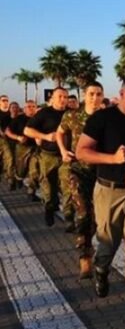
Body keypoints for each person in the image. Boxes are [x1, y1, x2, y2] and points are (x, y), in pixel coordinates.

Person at [76, 73, 125, 324]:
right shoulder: (103, 118)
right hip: (110, 190)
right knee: (108, 241)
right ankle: (101, 268)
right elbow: (82, 152)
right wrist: (112, 158)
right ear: (121, 94)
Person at [56, 82, 103, 278]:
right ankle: (85, 257)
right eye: (91, 94)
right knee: (83, 212)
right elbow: (59, 132)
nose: (94, 97)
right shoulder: (72, 115)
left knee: (97, 217)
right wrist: (63, 151)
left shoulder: (107, 117)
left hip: (100, 172)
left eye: (98, 94)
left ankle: (92, 247)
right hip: (77, 171)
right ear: (85, 95)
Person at [24, 87, 67, 226]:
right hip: (48, 155)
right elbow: (27, 130)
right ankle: (49, 208)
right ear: (52, 98)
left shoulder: (70, 114)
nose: (63, 100)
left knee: (68, 187)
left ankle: (70, 217)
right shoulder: (44, 113)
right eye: (59, 96)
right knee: (49, 185)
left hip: (66, 156)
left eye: (65, 97)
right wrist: (45, 136)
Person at [6, 101, 39, 200]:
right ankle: (18, 177)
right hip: (22, 147)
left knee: (34, 170)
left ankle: (31, 192)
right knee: (21, 170)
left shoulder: (39, 118)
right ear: (24, 109)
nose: (31, 108)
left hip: (36, 148)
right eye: (29, 106)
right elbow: (8, 131)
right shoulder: (19, 119)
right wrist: (17, 137)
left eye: (33, 106)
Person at [1, 101, 20, 190]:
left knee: (19, 162)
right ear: (9, 109)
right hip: (7, 141)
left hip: (19, 143)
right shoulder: (5, 118)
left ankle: (17, 178)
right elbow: (5, 132)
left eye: (16, 108)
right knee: (10, 159)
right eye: (13, 107)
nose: (15, 109)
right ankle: (11, 180)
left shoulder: (22, 119)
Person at [0, 95, 14, 188]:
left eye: (7, 100)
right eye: (3, 100)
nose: (5, 102)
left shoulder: (11, 113)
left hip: (9, 139)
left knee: (9, 158)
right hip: (2, 138)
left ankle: (9, 177)